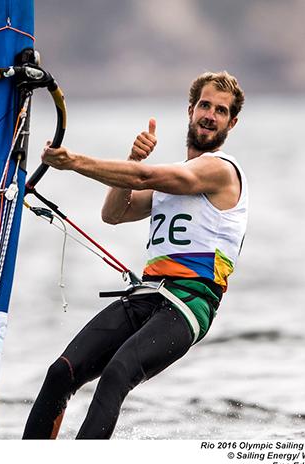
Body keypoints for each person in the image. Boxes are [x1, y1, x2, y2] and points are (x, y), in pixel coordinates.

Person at [22, 71, 248, 439]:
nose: (210, 115)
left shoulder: (220, 170)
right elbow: (114, 213)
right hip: (148, 296)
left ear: (231, 122)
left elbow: (144, 178)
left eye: (220, 111)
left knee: (115, 375)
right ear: (190, 110)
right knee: (61, 372)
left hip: (188, 305)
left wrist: (75, 161)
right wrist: (130, 160)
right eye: (204, 105)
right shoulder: (172, 181)